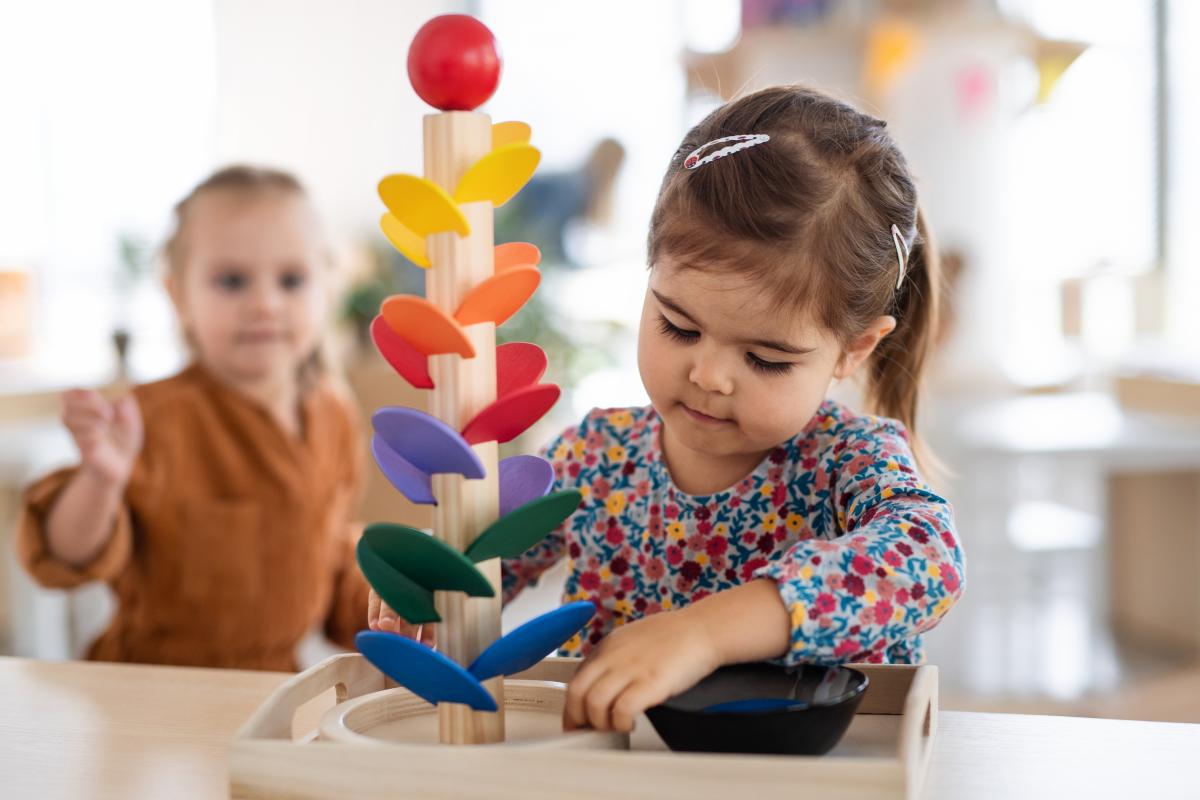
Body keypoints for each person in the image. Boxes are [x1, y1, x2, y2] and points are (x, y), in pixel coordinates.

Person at [371, 85, 966, 733]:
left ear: (854, 349)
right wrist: (434, 586)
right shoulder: (593, 457)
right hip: (617, 769)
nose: (707, 376)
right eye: (678, 326)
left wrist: (705, 633)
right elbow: (484, 564)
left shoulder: (851, 460)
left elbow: (927, 563)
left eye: (765, 359)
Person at [16, 166, 369, 670]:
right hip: (154, 685)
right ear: (179, 296)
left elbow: (330, 552)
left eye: (291, 280)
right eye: (232, 281)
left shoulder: (335, 414)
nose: (265, 303)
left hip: (271, 686)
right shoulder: (152, 420)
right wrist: (100, 479)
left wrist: (386, 608)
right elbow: (64, 555)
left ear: (327, 291)